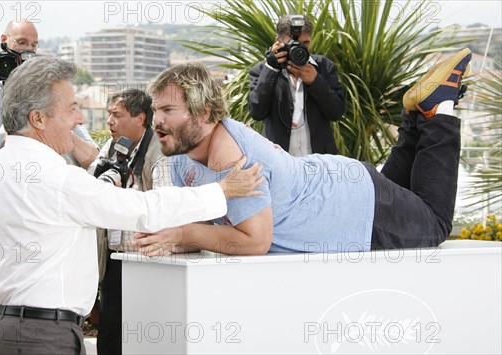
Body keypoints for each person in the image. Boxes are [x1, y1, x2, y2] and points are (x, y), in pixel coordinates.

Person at [0, 56, 263, 355]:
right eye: (72, 108)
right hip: (46, 337)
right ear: (38, 118)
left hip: (0, 329)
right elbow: (143, 209)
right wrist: (221, 192)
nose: (80, 119)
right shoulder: (57, 180)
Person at [132, 48, 472, 256]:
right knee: (410, 199)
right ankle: (414, 115)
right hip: (350, 189)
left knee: (435, 224)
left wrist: (184, 233)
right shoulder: (180, 158)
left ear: (204, 112)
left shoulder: (228, 154)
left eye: (168, 111)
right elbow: (208, 230)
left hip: (357, 213)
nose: (156, 121)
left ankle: (439, 109)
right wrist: (171, 238)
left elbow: (255, 241)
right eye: (155, 109)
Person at [89, 89, 171, 355]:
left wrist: (121, 193)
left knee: (144, 331)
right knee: (111, 331)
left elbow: (163, 206)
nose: (109, 122)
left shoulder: (160, 151)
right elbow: (94, 182)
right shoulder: (113, 146)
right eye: (108, 115)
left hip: (146, 258)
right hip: (115, 256)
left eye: (117, 115)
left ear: (140, 119)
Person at [0, 18, 98, 166]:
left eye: (33, 45)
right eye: (21, 42)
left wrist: (61, 132)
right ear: (4, 40)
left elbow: (93, 157)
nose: (27, 50)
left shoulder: (45, 81)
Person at [249, 14, 345, 156]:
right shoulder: (262, 70)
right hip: (279, 162)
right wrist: (271, 69)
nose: (300, 49)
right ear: (278, 41)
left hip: (319, 161)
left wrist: (316, 81)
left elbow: (336, 112)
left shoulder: (324, 67)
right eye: (293, 43)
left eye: (305, 43)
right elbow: (257, 112)